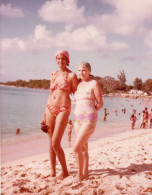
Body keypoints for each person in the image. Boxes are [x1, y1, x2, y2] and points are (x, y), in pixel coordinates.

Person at [41, 50, 78, 179]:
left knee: (56, 142)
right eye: (58, 58)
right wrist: (44, 115)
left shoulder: (71, 76)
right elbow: (50, 94)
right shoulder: (54, 75)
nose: (60, 61)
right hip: (50, 108)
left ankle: (65, 171)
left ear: (67, 60)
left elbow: (76, 92)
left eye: (63, 59)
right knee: (50, 142)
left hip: (63, 108)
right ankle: (53, 172)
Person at [73, 62, 103, 182]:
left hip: (89, 118)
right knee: (84, 147)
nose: (81, 73)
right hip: (77, 119)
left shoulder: (94, 83)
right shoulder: (78, 85)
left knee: (76, 148)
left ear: (89, 71)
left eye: (84, 70)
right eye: (79, 71)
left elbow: (100, 103)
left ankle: (79, 175)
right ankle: (85, 173)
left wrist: (91, 112)